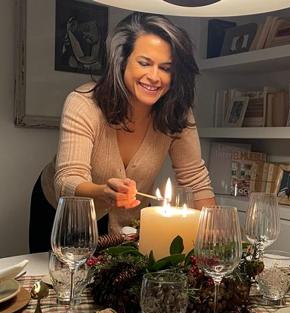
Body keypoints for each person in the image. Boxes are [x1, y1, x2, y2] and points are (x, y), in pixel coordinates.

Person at [29, 13, 216, 253]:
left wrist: (217, 232)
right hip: (61, 211)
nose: (155, 77)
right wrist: (103, 191)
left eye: (166, 68)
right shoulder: (84, 103)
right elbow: (67, 180)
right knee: (60, 284)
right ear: (123, 61)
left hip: (125, 223)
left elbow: (195, 179)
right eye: (145, 63)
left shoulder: (177, 112)